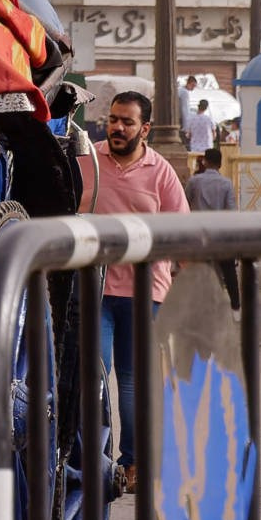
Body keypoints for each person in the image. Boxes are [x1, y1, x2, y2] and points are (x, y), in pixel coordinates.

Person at [80, 91, 188, 488]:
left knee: (131, 380)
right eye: (113, 120)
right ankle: (88, 456)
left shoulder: (160, 172)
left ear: (145, 129)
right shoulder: (86, 159)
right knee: (92, 373)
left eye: (127, 122)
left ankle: (134, 464)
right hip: (93, 288)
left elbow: (181, 232)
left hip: (145, 293)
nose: (117, 128)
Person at [187, 146, 240, 308]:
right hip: (220, 232)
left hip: (199, 231)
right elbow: (231, 211)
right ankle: (235, 305)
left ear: (205, 161)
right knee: (228, 269)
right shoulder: (226, 183)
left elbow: (185, 203)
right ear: (220, 164)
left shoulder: (194, 181)